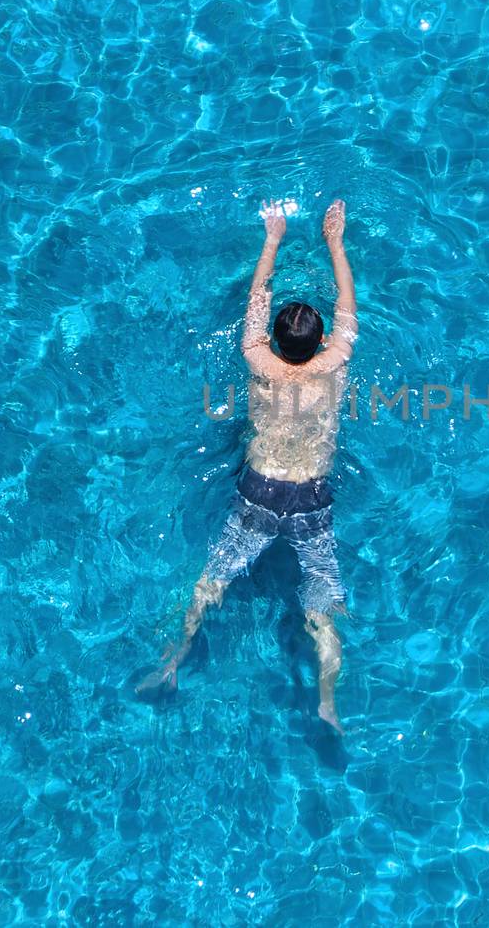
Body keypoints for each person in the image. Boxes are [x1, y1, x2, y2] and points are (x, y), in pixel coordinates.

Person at [138, 196, 358, 733]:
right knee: (322, 604)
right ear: (322, 340)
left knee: (210, 582)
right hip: (311, 498)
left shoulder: (258, 360)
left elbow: (258, 300)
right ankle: (326, 700)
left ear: (275, 345)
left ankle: (173, 660)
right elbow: (349, 301)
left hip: (259, 490)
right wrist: (335, 241)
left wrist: (271, 239)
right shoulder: (336, 361)